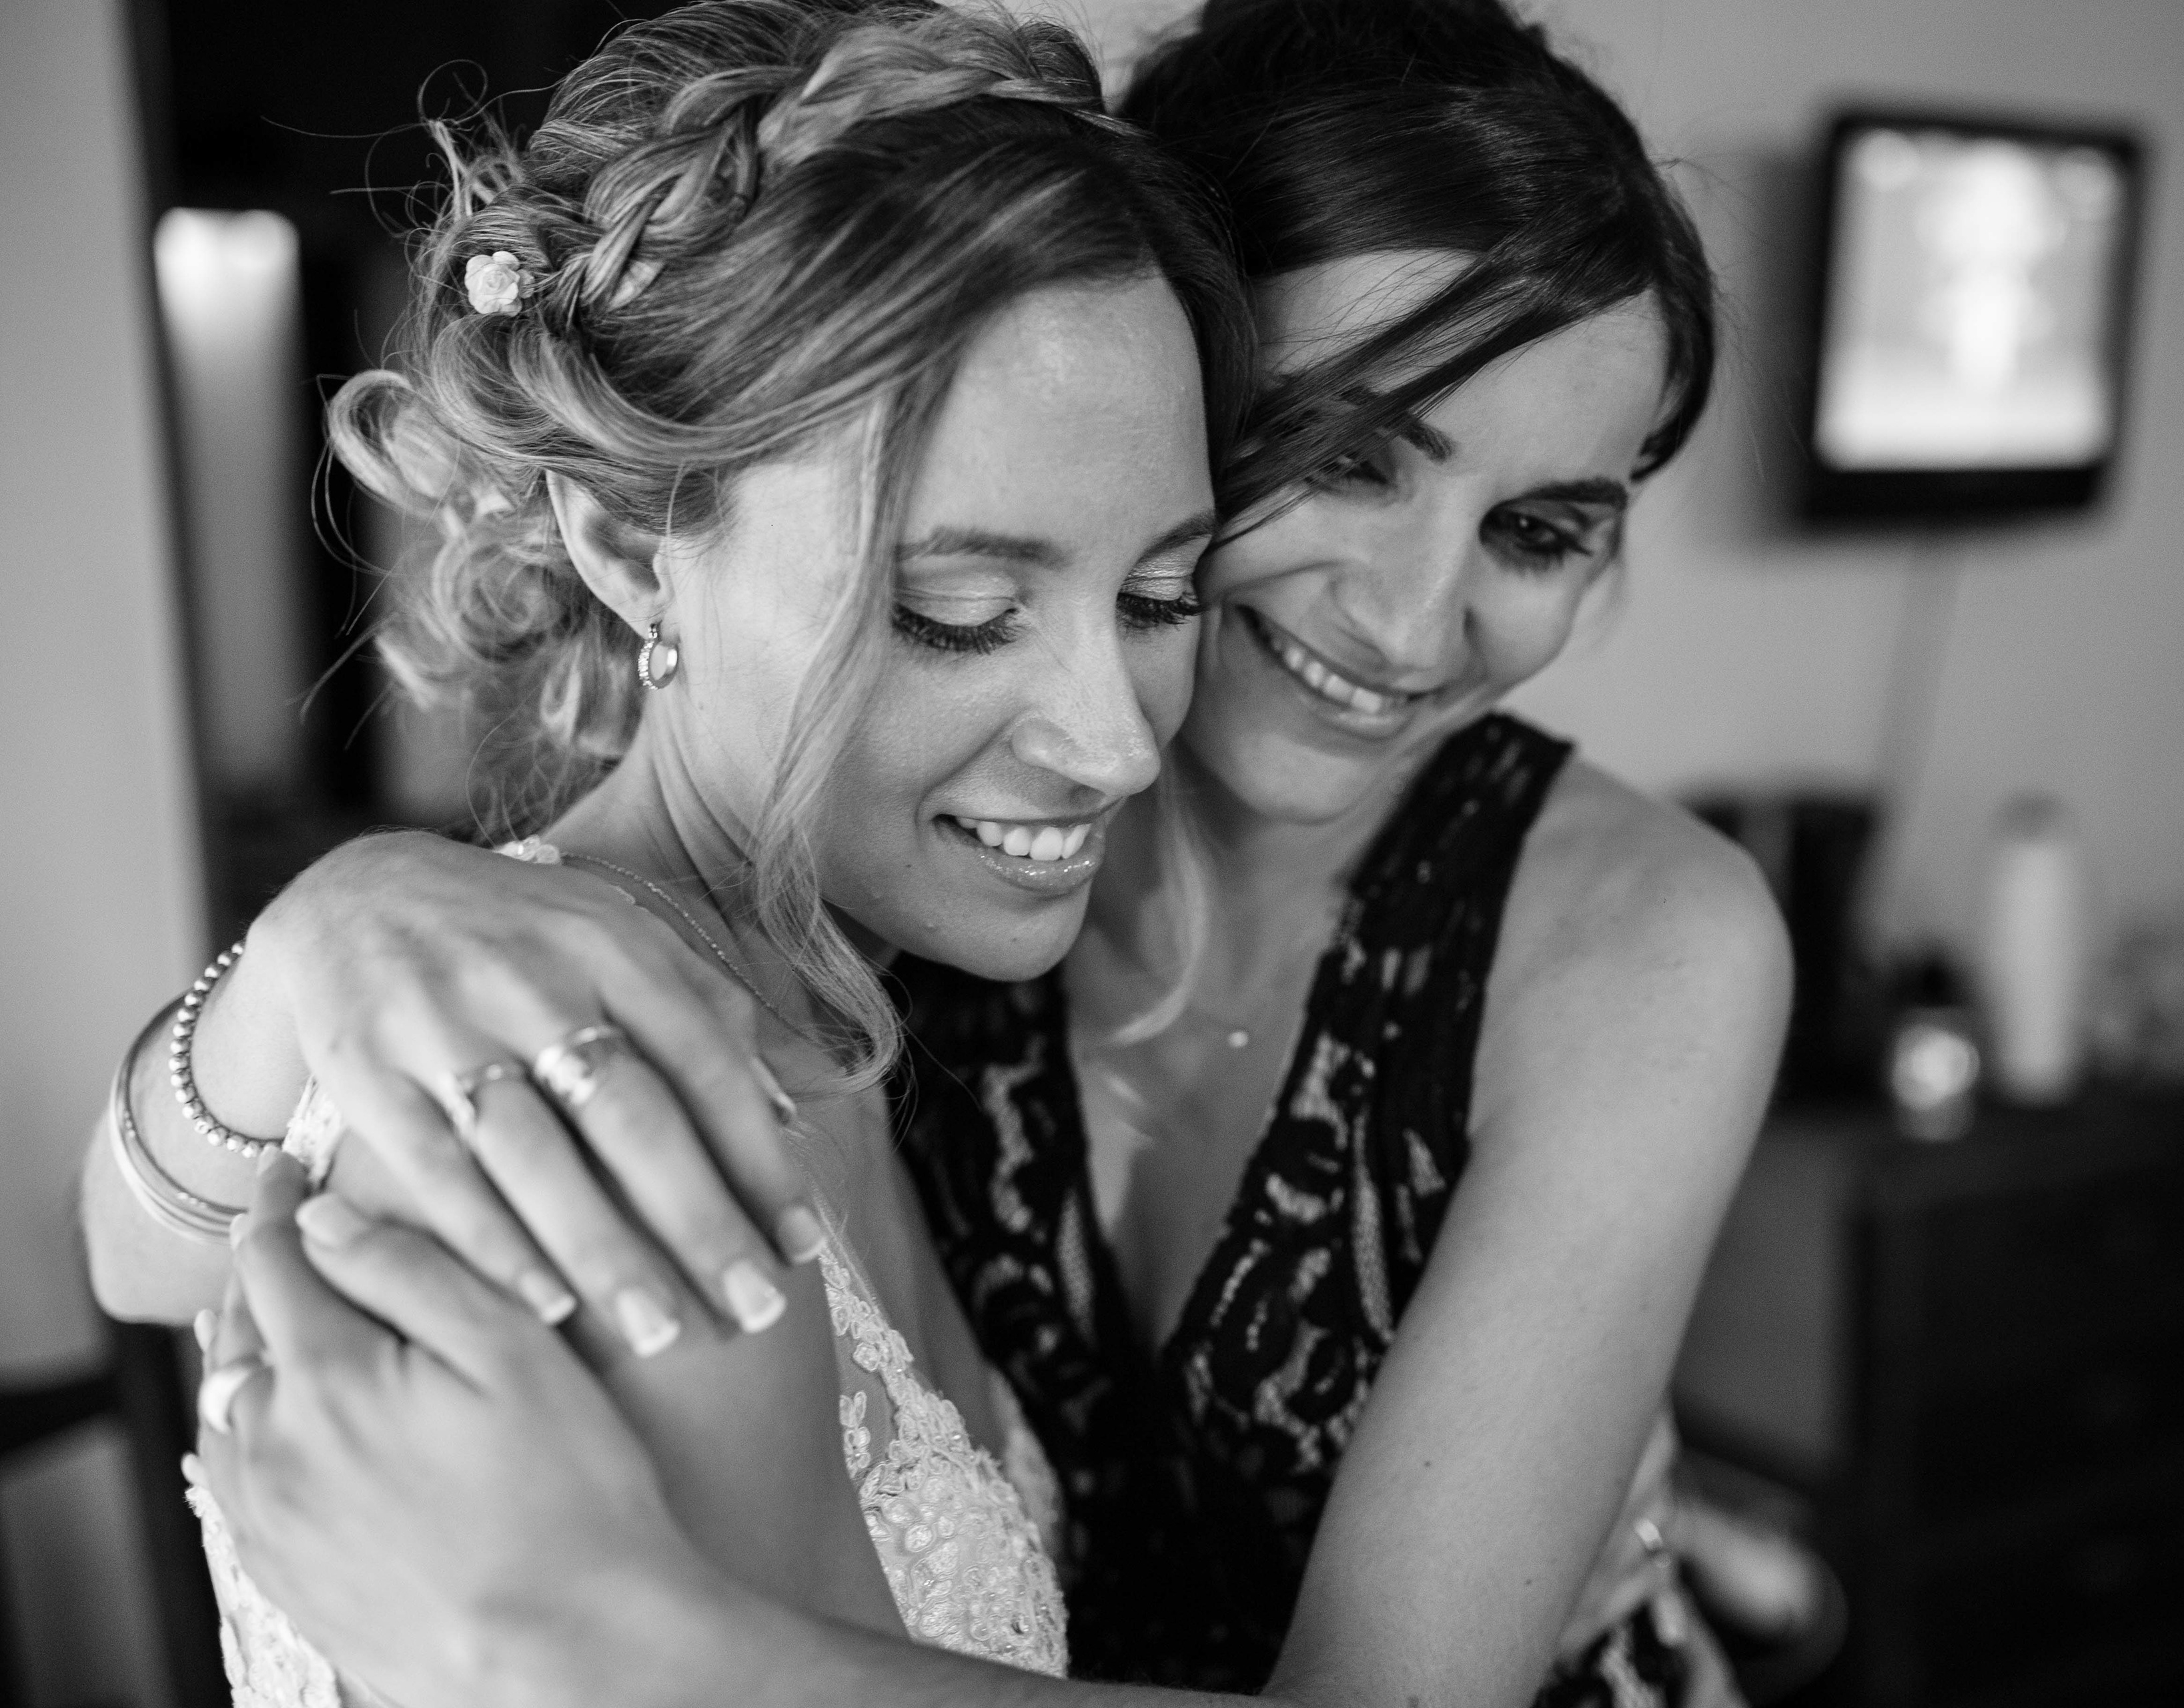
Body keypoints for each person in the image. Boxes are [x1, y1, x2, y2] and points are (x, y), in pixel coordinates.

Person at [112, 0, 1795, 1703]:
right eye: (1344, 456)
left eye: (1540, 528)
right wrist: (321, 934)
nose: (1414, 622)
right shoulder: (842, 894)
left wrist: (632, 1649)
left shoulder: (930, 878)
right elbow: (142, 1247)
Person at [86, 0, 1258, 1692]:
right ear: (636, 544)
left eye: (1159, 595)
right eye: (958, 609)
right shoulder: (595, 1126)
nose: (1122, 741)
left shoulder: (831, 997)